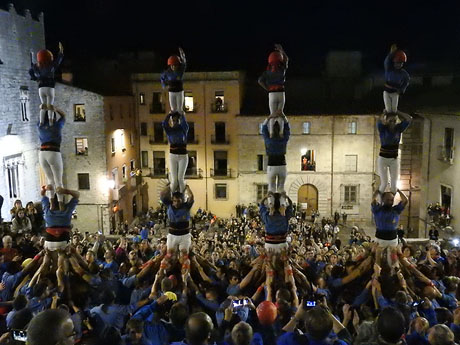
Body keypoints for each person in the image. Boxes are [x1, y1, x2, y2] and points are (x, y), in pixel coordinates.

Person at [38, 106, 67, 210]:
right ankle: (61, 204)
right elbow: (64, 116)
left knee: (49, 180)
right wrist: (55, 108)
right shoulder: (57, 125)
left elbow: (40, 114)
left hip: (42, 153)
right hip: (53, 152)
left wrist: (43, 108)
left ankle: (51, 204)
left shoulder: (40, 126)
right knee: (58, 180)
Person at [159, 185, 194, 272]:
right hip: (172, 235)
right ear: (172, 200)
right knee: (169, 254)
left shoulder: (187, 206)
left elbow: (191, 197)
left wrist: (187, 188)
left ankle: (185, 276)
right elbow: (162, 195)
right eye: (174, 201)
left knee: (184, 255)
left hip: (184, 236)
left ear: (182, 200)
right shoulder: (169, 205)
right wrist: (169, 186)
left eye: (178, 201)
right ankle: (162, 272)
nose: (176, 203)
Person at [377, 111, 412, 194]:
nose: (392, 123)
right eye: (390, 121)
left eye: (394, 121)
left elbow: (409, 118)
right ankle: (379, 201)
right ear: (387, 121)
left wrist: (398, 112)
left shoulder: (399, 128)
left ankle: (391, 202)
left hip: (394, 159)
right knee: (384, 183)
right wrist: (384, 113)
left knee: (394, 184)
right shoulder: (383, 128)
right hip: (383, 159)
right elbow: (379, 120)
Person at [29, 42, 64, 126]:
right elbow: (59, 60)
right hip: (50, 87)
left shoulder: (36, 66)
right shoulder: (51, 66)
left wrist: (35, 78)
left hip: (41, 88)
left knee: (43, 106)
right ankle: (51, 122)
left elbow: (30, 71)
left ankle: (41, 122)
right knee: (50, 106)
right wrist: (61, 51)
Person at [371, 189, 408, 268]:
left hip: (392, 239)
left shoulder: (396, 209)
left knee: (393, 261)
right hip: (380, 238)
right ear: (383, 200)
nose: (390, 202)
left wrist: (398, 190)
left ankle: (395, 274)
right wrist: (377, 192)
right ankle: (377, 275)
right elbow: (373, 200)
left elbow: (405, 200)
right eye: (387, 200)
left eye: (391, 200)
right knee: (378, 259)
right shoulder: (377, 209)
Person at [258, 44, 289, 138]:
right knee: (280, 113)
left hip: (272, 93)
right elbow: (287, 59)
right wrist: (282, 50)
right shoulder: (282, 69)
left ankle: (271, 134)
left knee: (272, 114)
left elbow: (259, 81)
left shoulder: (267, 72)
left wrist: (267, 88)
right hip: (281, 92)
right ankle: (281, 133)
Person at [262, 113, 290, 214]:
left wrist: (268, 117)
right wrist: (283, 117)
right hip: (282, 165)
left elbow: (263, 130)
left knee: (271, 188)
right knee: (281, 187)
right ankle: (282, 207)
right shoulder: (283, 140)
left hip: (271, 165)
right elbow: (288, 130)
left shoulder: (269, 140)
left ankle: (271, 207)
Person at [163, 111, 189, 194]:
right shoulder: (169, 130)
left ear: (179, 121)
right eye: (173, 121)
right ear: (171, 121)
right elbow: (164, 124)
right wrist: (169, 114)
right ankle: (172, 197)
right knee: (174, 180)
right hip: (173, 156)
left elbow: (184, 123)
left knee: (180, 179)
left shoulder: (183, 129)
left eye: (176, 121)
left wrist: (182, 115)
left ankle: (182, 197)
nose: (175, 122)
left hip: (183, 156)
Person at [383, 44, 410, 114]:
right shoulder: (389, 69)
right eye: (397, 63)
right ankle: (385, 115)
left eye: (401, 63)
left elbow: (406, 81)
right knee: (388, 110)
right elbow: (387, 61)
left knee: (394, 110)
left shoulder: (404, 74)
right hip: (386, 92)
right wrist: (391, 53)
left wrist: (401, 90)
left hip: (395, 93)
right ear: (393, 62)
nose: (399, 65)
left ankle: (394, 119)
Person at [161, 47, 187, 114]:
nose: (173, 67)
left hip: (179, 92)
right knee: (173, 109)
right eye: (172, 66)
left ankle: (181, 121)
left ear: (178, 65)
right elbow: (162, 78)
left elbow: (184, 62)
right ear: (170, 66)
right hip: (171, 92)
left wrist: (182, 55)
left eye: (175, 65)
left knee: (180, 109)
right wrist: (164, 85)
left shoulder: (180, 71)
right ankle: (173, 121)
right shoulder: (167, 72)